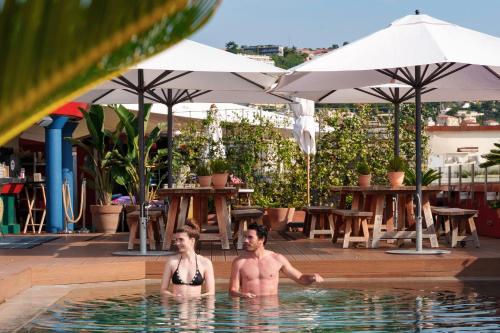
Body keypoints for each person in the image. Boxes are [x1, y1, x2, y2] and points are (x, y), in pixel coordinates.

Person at [229, 223, 324, 298]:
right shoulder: (239, 262)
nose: (245, 240)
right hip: (250, 311)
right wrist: (242, 295)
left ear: (261, 239)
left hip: (272, 311)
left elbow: (300, 278)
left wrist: (312, 278)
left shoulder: (277, 259)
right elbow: (232, 290)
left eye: (250, 237)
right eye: (245, 237)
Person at [160, 222, 215, 297]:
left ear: (192, 241)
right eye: (176, 240)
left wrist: (197, 298)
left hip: (196, 306)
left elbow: (211, 293)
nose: (177, 243)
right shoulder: (172, 262)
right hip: (177, 306)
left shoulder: (205, 263)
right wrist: (174, 296)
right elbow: (163, 290)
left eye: (181, 240)